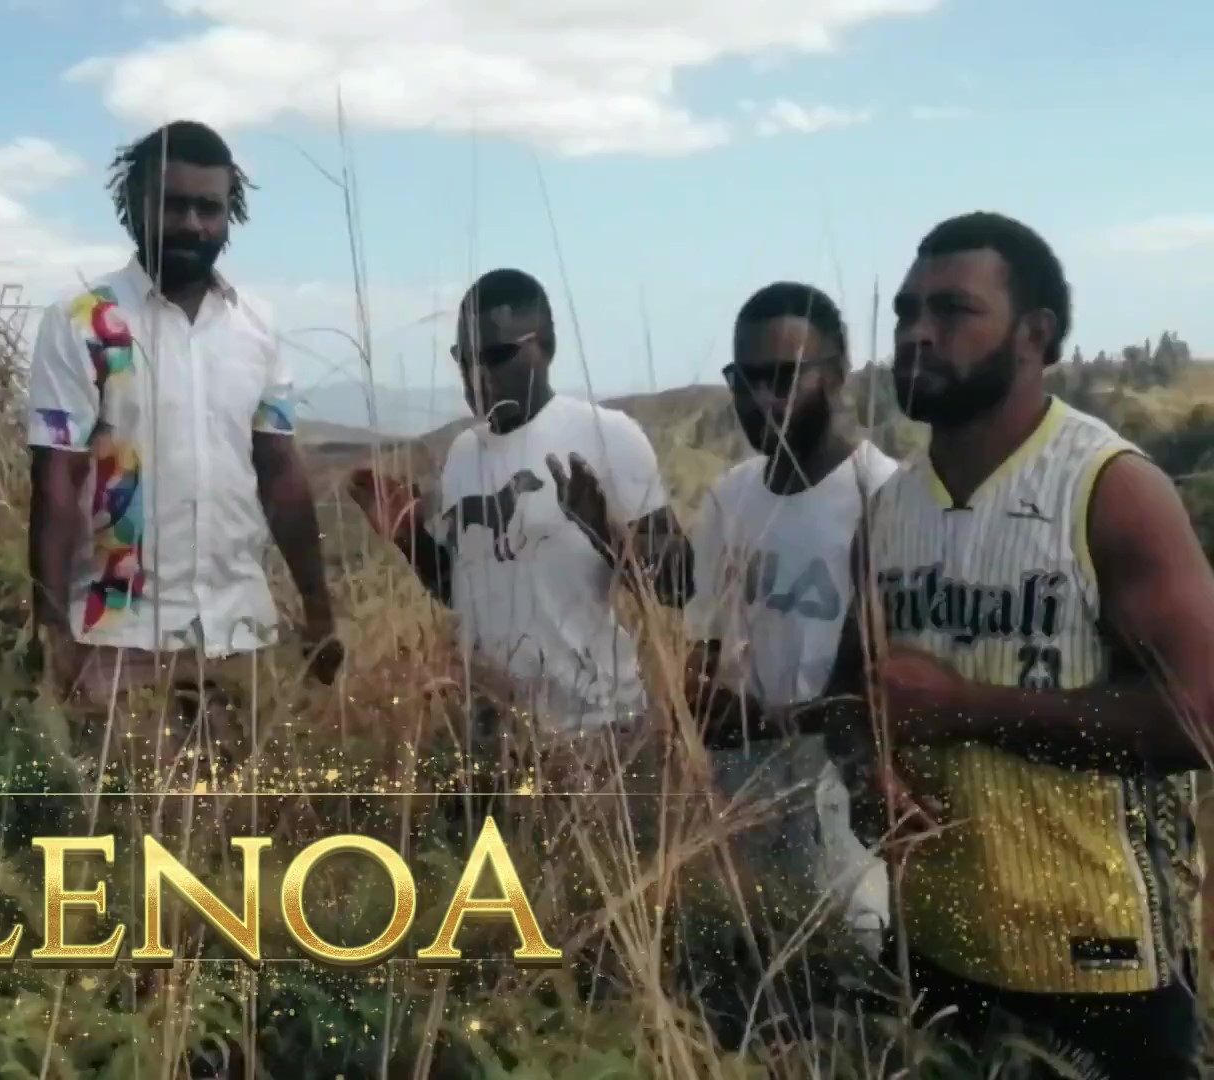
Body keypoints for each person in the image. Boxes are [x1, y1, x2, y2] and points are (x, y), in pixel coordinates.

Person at [820, 212, 1214, 1077]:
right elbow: (849, 697)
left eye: (953, 311)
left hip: (1102, 966)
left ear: (1035, 335)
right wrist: (866, 772)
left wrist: (963, 708)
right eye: (906, 311)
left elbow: (1194, 721)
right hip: (932, 950)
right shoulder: (887, 514)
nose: (917, 334)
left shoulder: (1111, 489)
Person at [27, 119, 341, 713]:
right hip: (116, 639)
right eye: (173, 206)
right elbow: (56, 479)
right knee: (121, 808)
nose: (192, 224)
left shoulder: (257, 328)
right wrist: (51, 631)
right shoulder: (85, 322)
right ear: (133, 205)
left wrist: (317, 607)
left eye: (209, 208)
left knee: (238, 808)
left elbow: (279, 471)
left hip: (239, 632)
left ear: (230, 215)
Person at [680, 281, 896, 1045]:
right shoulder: (731, 498)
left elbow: (878, 692)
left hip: (840, 806)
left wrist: (764, 722)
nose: (761, 398)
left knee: (853, 990)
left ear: (836, 376)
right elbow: (702, 651)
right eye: (745, 379)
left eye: (785, 375)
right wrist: (707, 704)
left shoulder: (884, 498)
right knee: (754, 992)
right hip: (740, 799)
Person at [347, 268, 690, 742]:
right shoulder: (464, 454)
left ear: (545, 347)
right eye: (463, 358)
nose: (477, 375)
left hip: (599, 730)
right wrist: (409, 538)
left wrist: (605, 533)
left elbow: (680, 586)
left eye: (497, 355)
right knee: (490, 824)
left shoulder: (606, 436)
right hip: (497, 730)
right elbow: (466, 591)